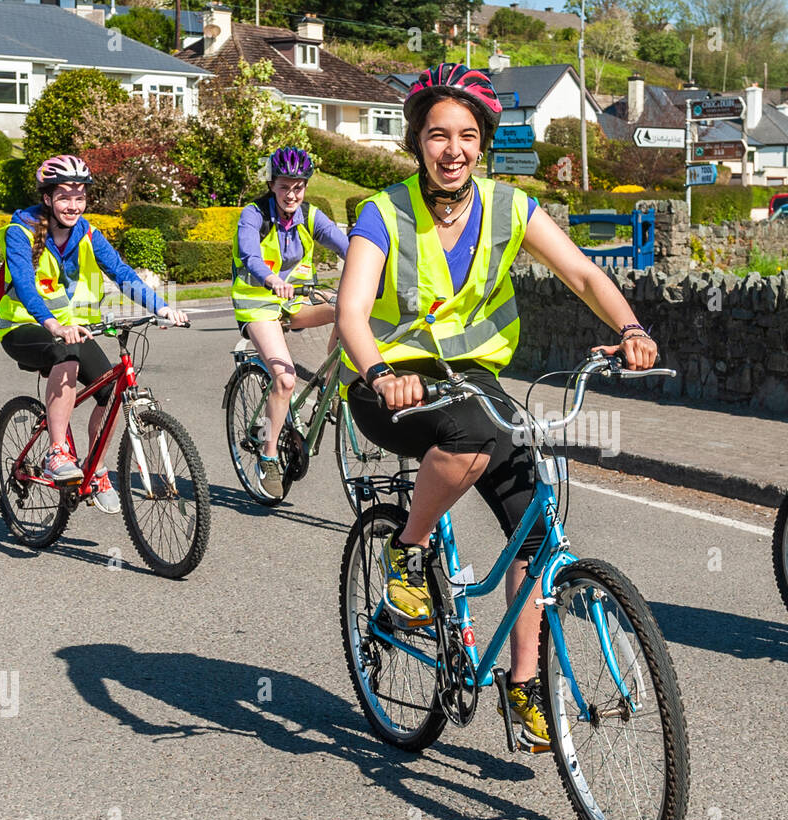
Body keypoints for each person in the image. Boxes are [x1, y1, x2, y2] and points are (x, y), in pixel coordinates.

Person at [335, 64, 658, 746]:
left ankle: (523, 686)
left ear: (482, 142)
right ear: (416, 141)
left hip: (471, 377)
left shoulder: (510, 206)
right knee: (471, 440)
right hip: (387, 383)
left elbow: (581, 272)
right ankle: (406, 552)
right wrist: (380, 371)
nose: (452, 149)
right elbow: (352, 312)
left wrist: (628, 326)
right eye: (437, 135)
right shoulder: (383, 211)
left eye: (466, 135)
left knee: (534, 530)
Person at [0, 155, 188, 514]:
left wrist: (161, 307)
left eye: (80, 196)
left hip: (74, 331)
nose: (74, 205)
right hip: (23, 327)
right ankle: (56, 453)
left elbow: (122, 273)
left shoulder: (87, 233)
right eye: (65, 196)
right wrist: (52, 324)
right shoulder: (20, 232)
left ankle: (95, 467)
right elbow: (23, 284)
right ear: (48, 198)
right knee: (64, 355)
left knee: (111, 389)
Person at [231, 146, 349, 499]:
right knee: (284, 379)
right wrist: (270, 279)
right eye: (285, 187)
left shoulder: (310, 216)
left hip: (295, 300)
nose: (292, 195)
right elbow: (250, 253)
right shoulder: (253, 215)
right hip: (258, 304)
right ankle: (268, 456)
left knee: (348, 311)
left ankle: (328, 392)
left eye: (299, 187)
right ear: (272, 184)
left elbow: (348, 246)